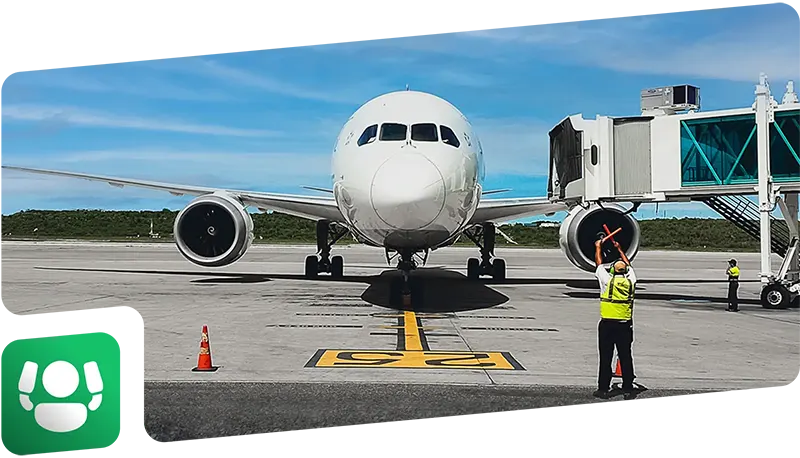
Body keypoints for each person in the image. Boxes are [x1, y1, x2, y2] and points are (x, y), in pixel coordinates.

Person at [593, 237, 637, 401]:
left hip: (607, 325)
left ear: (612, 270)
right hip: (625, 325)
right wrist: (620, 250)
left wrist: (598, 247)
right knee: (625, 356)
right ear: (625, 271)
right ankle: (627, 389)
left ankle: (603, 389)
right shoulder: (631, 281)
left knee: (606, 357)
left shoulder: (607, 281)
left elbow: (598, 264)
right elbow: (629, 266)